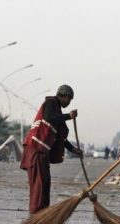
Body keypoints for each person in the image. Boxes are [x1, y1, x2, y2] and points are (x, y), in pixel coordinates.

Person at [20, 85, 82, 214]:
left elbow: (61, 138)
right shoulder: (50, 103)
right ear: (62, 96)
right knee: (39, 186)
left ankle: (43, 217)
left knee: (45, 184)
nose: (69, 102)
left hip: (42, 153)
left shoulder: (58, 112)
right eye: (69, 99)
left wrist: (73, 150)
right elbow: (48, 117)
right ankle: (35, 220)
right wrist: (68, 116)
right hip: (35, 149)